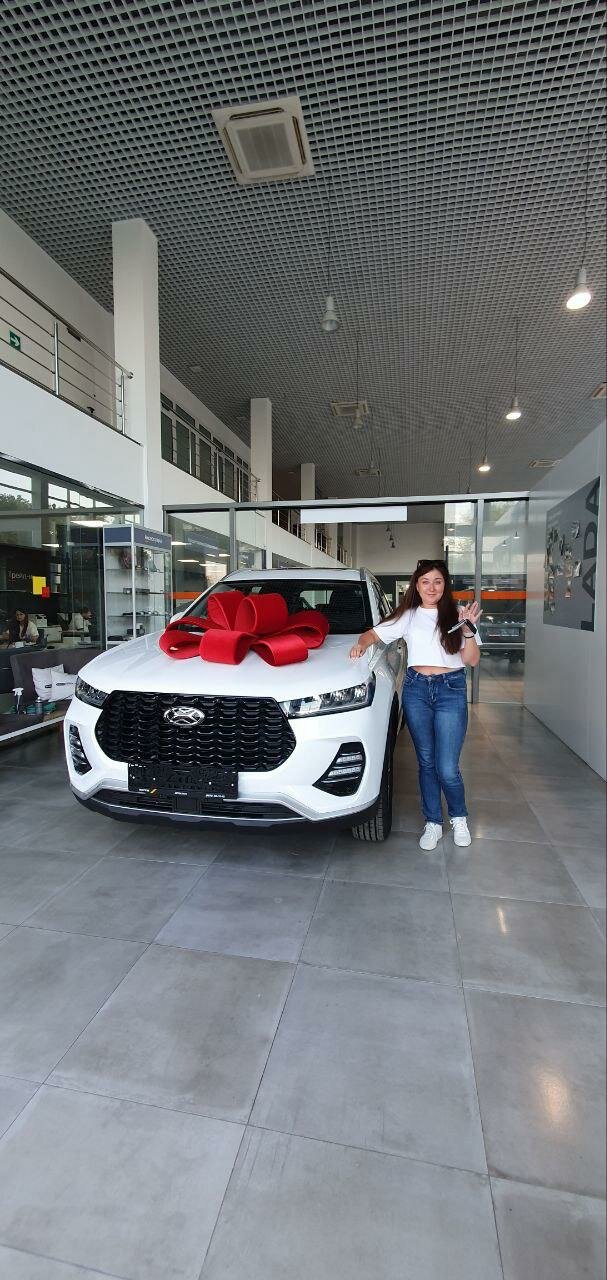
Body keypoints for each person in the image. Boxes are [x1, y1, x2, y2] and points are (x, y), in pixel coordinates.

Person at [350, 559, 482, 850]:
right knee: (426, 762)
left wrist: (469, 632)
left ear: (445, 585)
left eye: (437, 581)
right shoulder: (408, 616)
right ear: (417, 586)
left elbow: (472, 660)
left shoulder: (458, 615)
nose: (431, 587)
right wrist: (361, 644)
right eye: (425, 582)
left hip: (450, 690)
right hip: (417, 690)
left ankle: (458, 817)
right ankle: (432, 822)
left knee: (447, 767)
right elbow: (372, 634)